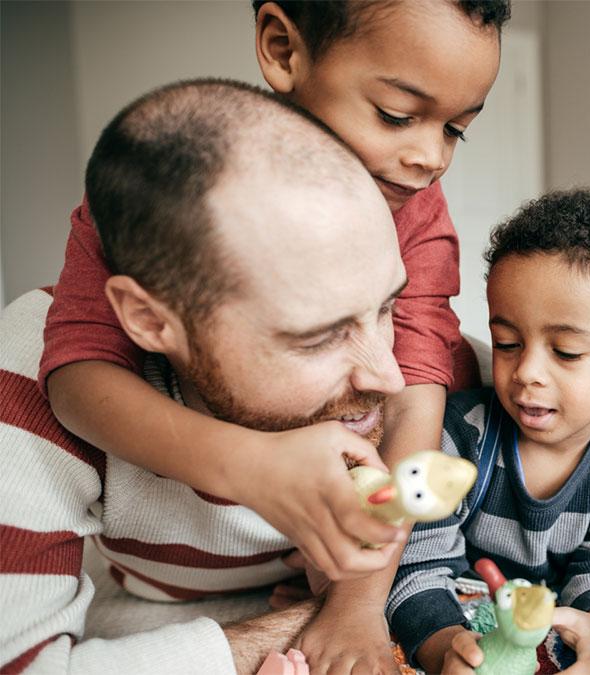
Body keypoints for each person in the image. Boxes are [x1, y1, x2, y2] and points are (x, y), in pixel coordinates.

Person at [36, 0, 507, 670]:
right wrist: (247, 465)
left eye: (458, 129)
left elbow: (415, 397)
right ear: (284, 49)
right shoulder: (166, 198)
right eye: (397, 115)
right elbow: (76, 373)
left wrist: (355, 603)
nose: (431, 157)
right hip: (176, 583)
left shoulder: (418, 212)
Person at [1, 79, 408, 673]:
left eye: (387, 308)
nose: (389, 377)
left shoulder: (460, 376)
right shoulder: (28, 366)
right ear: (148, 320)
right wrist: (291, 633)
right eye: (321, 336)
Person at [387, 191, 590, 675]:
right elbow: (415, 568)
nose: (527, 373)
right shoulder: (459, 436)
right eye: (508, 343)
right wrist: (442, 646)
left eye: (566, 352)